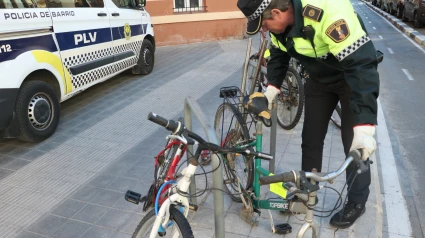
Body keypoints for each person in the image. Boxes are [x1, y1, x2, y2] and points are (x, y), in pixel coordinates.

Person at [237, 0, 379, 228]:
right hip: (320, 81)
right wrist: (271, 89)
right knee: (311, 140)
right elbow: (279, 55)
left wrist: (365, 126)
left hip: (350, 79)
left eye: (264, 23)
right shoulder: (280, 27)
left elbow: (362, 66)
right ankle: (306, 192)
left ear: (276, 12)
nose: (263, 29)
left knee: (354, 146)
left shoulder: (328, 12)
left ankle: (357, 202)